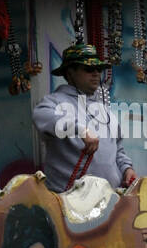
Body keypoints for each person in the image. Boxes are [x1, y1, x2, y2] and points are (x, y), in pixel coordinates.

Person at [32, 42, 135, 192]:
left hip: (110, 197)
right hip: (70, 200)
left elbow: (118, 149)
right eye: (88, 69)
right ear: (69, 73)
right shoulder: (54, 101)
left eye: (98, 69)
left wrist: (127, 168)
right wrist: (80, 130)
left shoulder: (104, 110)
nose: (96, 74)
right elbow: (41, 116)